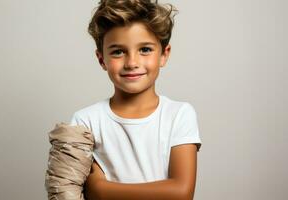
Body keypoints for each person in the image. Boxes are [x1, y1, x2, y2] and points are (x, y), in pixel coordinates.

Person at [69, 0, 202, 199]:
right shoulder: (85, 122)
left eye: (145, 49)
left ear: (164, 55)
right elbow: (69, 189)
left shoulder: (179, 115)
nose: (132, 63)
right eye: (118, 52)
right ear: (101, 59)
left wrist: (101, 190)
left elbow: (181, 193)